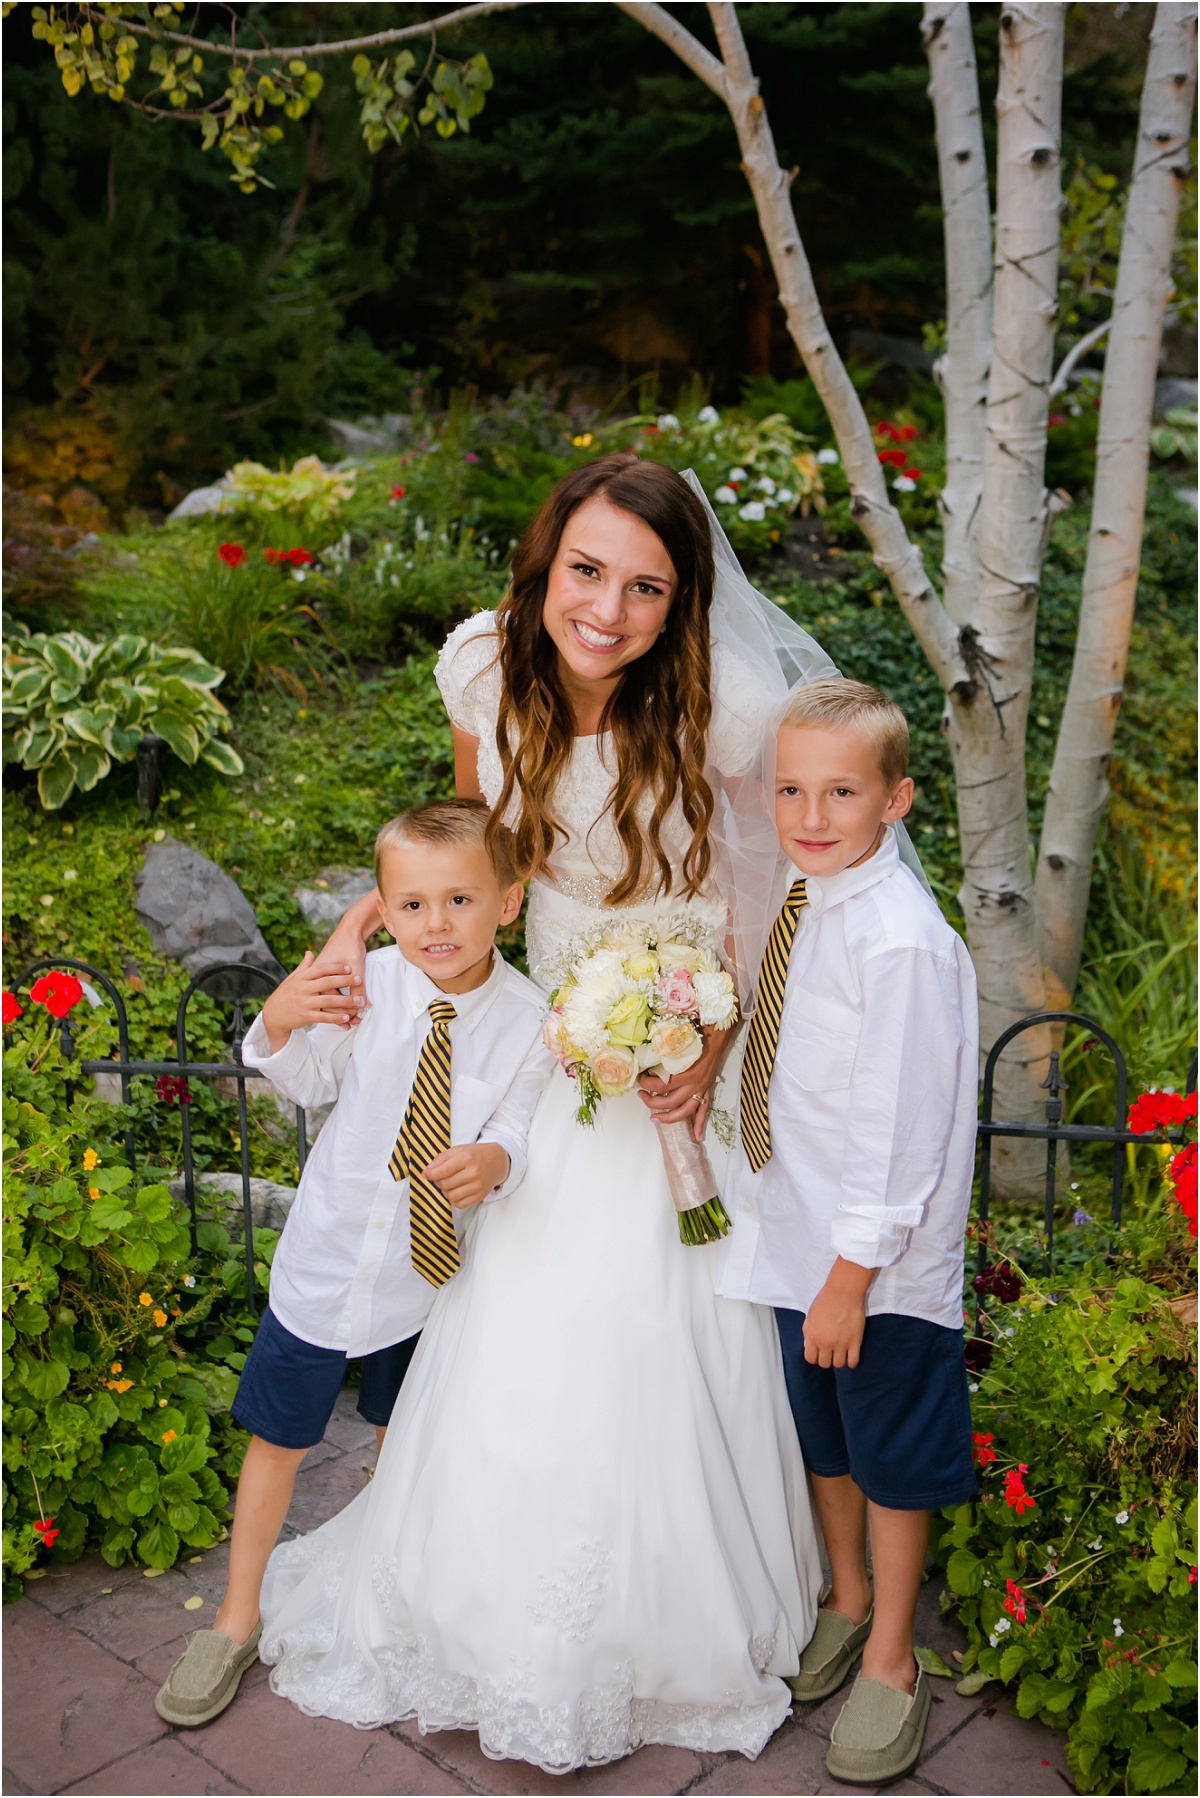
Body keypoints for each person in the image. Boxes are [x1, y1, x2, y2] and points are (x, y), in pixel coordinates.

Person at [254, 456, 830, 1772]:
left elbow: (765, 900)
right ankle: (476, 1609)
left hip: (674, 1043)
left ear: (682, 603)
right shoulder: (482, 672)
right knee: (518, 1320)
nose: (609, 609)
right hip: (544, 1050)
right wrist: (363, 922)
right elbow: (462, 841)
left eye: (647, 587)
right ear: (543, 561)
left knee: (659, 1324)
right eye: (587, 571)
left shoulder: (728, 711)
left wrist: (711, 1036)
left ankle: (668, 1622)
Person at [154, 800, 551, 1728]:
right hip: (329, 1266)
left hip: (430, 1279)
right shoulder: (362, 984)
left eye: (460, 899)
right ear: (381, 905)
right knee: (277, 1436)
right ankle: (235, 1615)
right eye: (410, 905)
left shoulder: (531, 1020)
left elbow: (519, 1129)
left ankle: (385, 1588)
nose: (436, 924)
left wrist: (495, 1162)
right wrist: (282, 1020)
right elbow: (306, 1079)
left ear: (510, 902)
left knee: (399, 1440)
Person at [719, 678, 979, 1786]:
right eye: (791, 788)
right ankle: (847, 1593)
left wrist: (849, 1276)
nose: (810, 813)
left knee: (890, 1451)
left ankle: (891, 1657)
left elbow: (899, 1131)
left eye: (840, 791)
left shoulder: (901, 943)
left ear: (897, 800)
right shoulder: (804, 902)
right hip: (795, 1239)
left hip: (874, 1267)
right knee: (820, 1433)